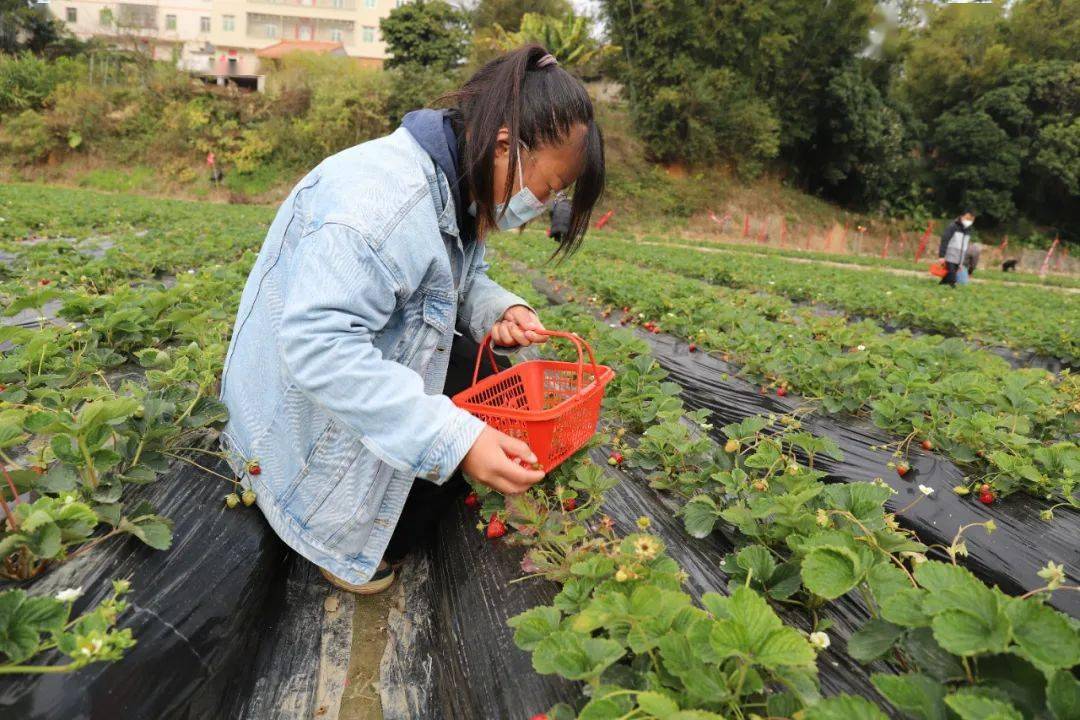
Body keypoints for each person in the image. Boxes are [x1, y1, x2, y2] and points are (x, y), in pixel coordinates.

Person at [218, 45, 605, 594]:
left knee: (488, 370)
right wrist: (459, 442)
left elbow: (460, 280)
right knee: (409, 522)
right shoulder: (382, 205)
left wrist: (501, 309)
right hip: (292, 433)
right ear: (504, 148)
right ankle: (331, 530)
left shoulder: (452, 184)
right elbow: (319, 347)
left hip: (341, 370)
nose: (543, 205)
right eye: (549, 188)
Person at [937, 210, 976, 286]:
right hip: (950, 256)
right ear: (962, 217)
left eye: (971, 220)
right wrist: (941, 256)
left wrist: (962, 262)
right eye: (967, 218)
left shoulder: (968, 230)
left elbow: (965, 246)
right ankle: (952, 288)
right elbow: (944, 240)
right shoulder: (953, 226)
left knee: (949, 274)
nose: (969, 221)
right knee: (952, 276)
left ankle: (942, 284)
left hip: (959, 258)